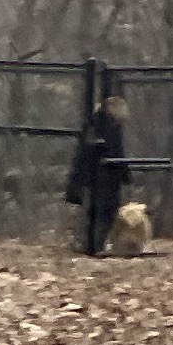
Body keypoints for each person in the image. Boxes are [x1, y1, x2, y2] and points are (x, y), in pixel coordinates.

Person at [66, 95, 131, 256]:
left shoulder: (96, 123)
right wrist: (125, 174)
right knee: (101, 212)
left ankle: (92, 244)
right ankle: (94, 245)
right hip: (101, 178)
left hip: (95, 177)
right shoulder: (106, 126)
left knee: (95, 212)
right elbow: (116, 153)